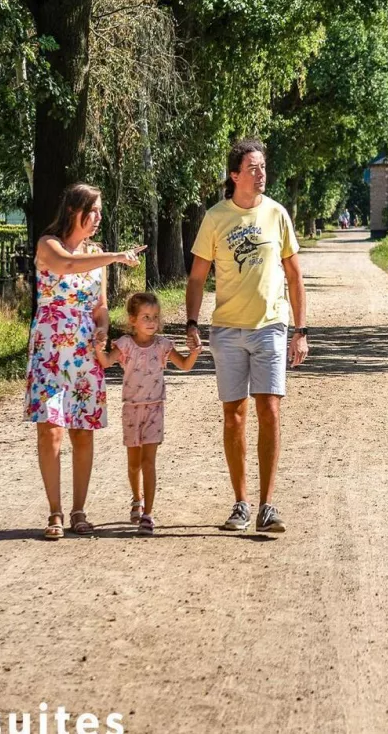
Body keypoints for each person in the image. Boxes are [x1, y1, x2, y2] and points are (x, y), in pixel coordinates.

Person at [184, 139, 309, 534]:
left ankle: (268, 506)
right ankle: (240, 503)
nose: (260, 173)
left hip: (271, 326)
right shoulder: (215, 218)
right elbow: (197, 277)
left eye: (263, 167)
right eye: (252, 167)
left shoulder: (277, 214)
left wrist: (300, 330)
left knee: (269, 409)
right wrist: (191, 323)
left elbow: (294, 276)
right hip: (227, 330)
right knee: (233, 415)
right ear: (234, 175)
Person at [25, 183, 142, 540]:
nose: (98, 218)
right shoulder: (49, 245)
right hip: (49, 349)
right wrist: (117, 256)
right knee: (51, 428)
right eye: (94, 211)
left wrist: (103, 328)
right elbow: (68, 264)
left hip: (84, 351)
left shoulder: (98, 253)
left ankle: (78, 510)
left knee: (82, 429)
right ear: (76, 210)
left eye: (100, 211)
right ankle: (55, 512)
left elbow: (100, 306)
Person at [96, 291, 199, 535]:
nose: (152, 321)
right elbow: (106, 362)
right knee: (134, 464)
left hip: (155, 408)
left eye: (154, 316)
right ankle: (136, 498)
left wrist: (194, 351)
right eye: (145, 317)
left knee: (148, 462)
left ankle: (148, 514)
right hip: (131, 409)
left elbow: (184, 365)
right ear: (132, 319)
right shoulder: (125, 345)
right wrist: (98, 347)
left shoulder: (163, 345)